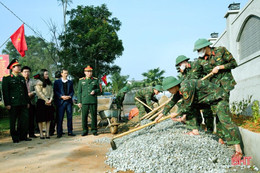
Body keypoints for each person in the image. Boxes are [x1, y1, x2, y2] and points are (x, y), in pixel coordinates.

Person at [155, 76, 243, 159]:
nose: (169, 91)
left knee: (225, 121)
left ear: (174, 85)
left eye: (170, 89)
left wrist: (177, 113)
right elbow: (172, 102)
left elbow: (187, 106)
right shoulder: (179, 89)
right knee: (194, 109)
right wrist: (160, 115)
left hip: (219, 98)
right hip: (210, 101)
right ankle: (196, 131)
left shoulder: (185, 87)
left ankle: (238, 150)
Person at [2, 59, 31, 143]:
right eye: (17, 66)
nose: (19, 68)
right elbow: (5, 92)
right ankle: (15, 137)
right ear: (12, 68)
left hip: (22, 102)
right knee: (13, 121)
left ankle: (23, 136)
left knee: (24, 120)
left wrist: (28, 102)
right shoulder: (7, 79)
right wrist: (7, 103)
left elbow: (25, 92)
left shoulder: (21, 78)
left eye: (19, 66)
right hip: (13, 103)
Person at [78, 65, 100, 136]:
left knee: (94, 116)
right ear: (84, 72)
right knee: (84, 116)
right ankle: (85, 130)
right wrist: (79, 102)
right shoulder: (81, 81)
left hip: (93, 100)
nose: (89, 73)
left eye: (90, 72)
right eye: (87, 72)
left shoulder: (95, 80)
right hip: (84, 101)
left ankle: (94, 130)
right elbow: (79, 92)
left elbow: (99, 90)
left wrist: (94, 91)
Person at [54, 69, 75, 138]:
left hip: (68, 101)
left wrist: (70, 96)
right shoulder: (57, 82)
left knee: (69, 116)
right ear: (61, 74)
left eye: (67, 73)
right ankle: (59, 132)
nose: (66, 75)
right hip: (61, 102)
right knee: (60, 117)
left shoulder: (70, 82)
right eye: (65, 73)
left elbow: (72, 91)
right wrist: (61, 96)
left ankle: (70, 131)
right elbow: (55, 91)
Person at [35, 69, 54, 139]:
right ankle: (41, 134)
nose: (47, 75)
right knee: (40, 119)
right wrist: (46, 100)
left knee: (48, 118)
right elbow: (39, 93)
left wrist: (51, 99)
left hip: (49, 101)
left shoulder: (49, 82)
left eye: (47, 74)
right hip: (41, 102)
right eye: (45, 74)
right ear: (42, 74)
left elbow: (52, 91)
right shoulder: (38, 82)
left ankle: (47, 133)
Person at [21, 66, 37, 138]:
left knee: (31, 118)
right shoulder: (20, 80)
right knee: (23, 119)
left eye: (28, 72)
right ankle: (23, 134)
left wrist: (32, 93)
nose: (26, 73)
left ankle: (31, 133)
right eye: (25, 72)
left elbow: (37, 90)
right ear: (22, 73)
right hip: (22, 102)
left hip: (31, 101)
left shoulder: (33, 81)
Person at [50, 70, 62, 136]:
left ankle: (53, 130)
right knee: (56, 117)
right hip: (56, 102)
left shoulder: (53, 82)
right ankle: (55, 130)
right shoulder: (56, 82)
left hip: (55, 101)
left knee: (55, 117)